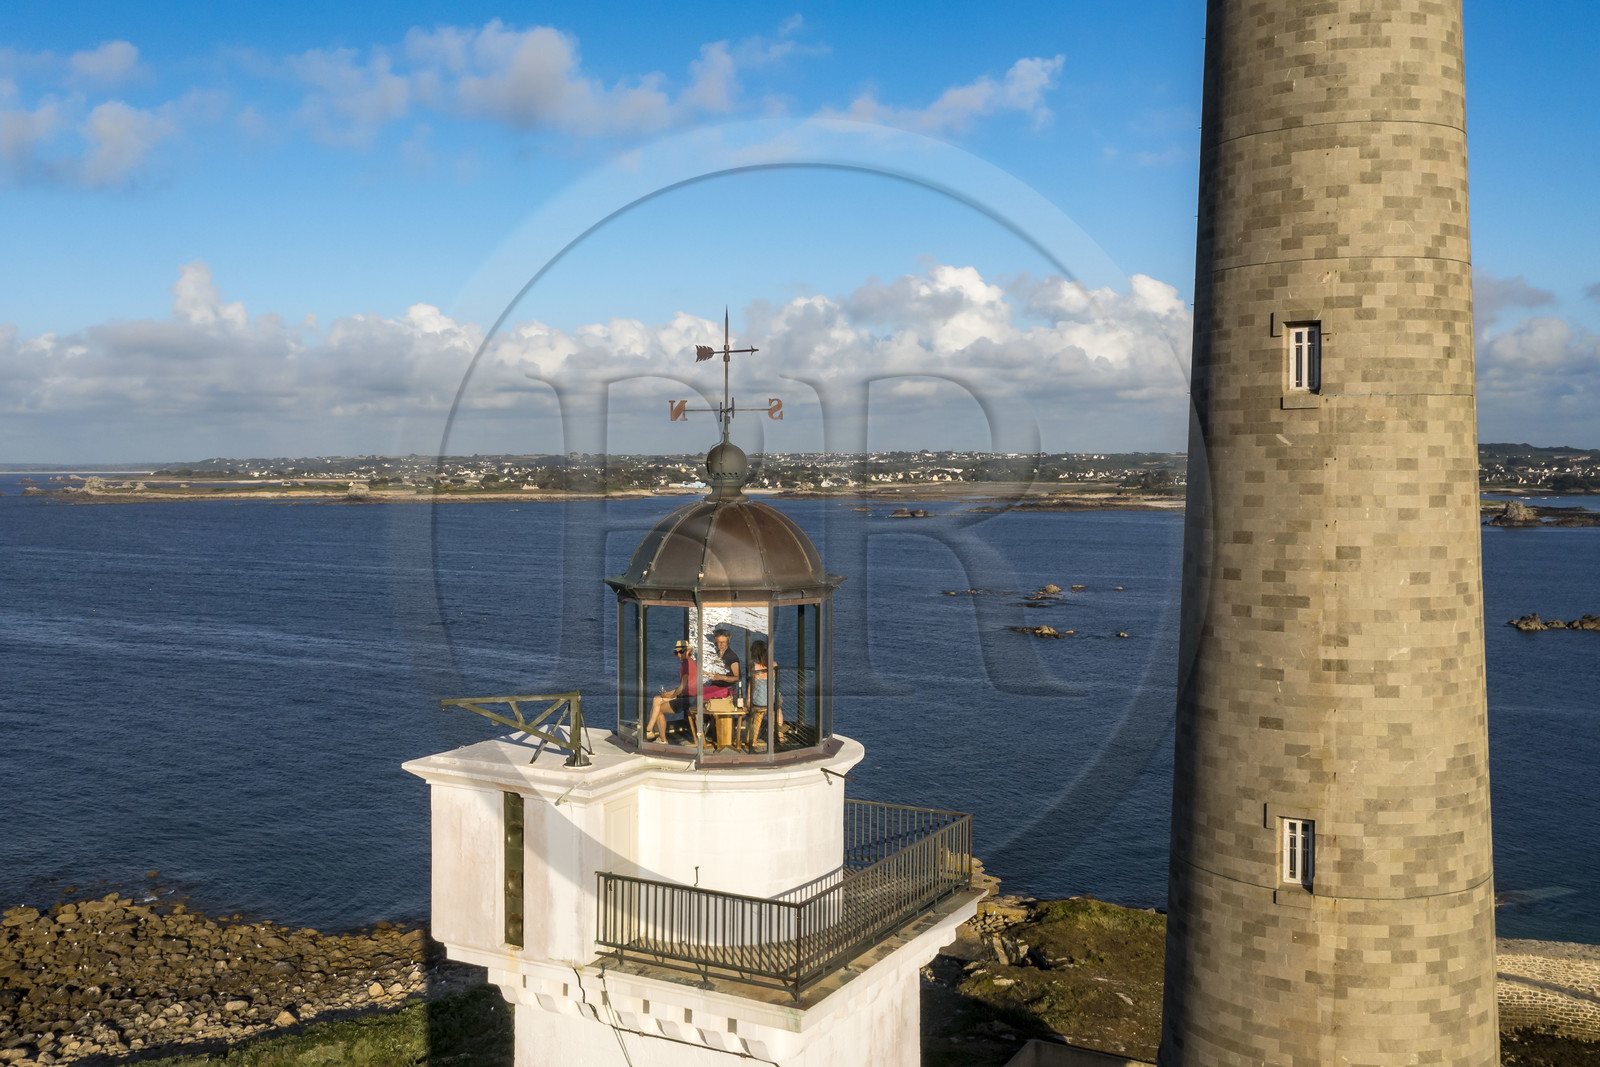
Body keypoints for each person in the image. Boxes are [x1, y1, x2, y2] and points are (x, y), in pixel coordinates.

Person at [645, 640, 697, 743]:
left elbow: (682, 688)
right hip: (689, 697)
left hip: (688, 699)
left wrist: (672, 695)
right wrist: (670, 693)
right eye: (676, 652)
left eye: (681, 651)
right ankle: (650, 730)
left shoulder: (686, 664)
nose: (678, 654)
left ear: (688, 651)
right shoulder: (690, 662)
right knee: (656, 699)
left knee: (658, 709)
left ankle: (652, 732)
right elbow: (684, 687)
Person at [703, 628, 740, 700]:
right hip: (715, 687)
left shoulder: (732, 657)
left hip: (725, 689)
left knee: (700, 694)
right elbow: (713, 674)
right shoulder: (716, 654)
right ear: (715, 642)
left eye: (724, 642)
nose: (721, 644)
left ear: (728, 642)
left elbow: (737, 678)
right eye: (719, 642)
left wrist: (720, 677)